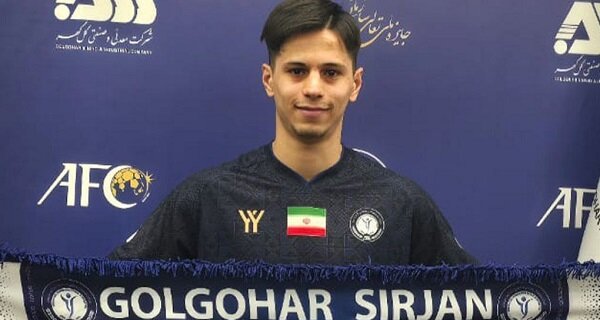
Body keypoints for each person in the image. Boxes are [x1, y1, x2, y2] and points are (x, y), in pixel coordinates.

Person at [109, 0, 476, 266]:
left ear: (355, 84)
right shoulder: (208, 197)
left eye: (331, 73)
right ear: (269, 79)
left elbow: (481, 310)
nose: (313, 88)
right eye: (297, 71)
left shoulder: (402, 203)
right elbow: (106, 302)